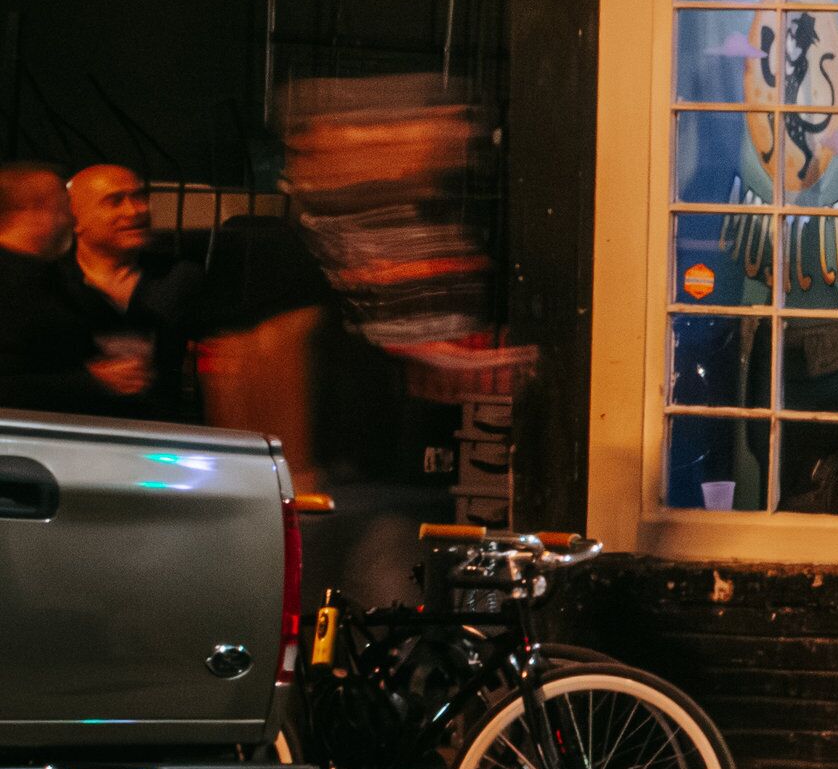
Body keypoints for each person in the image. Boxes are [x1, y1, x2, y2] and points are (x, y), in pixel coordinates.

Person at [196, 79, 530, 612]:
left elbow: (420, 343)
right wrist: (286, 474)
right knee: (366, 618)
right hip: (341, 488)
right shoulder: (301, 247)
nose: (453, 141)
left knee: (372, 620)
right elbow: (246, 359)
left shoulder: (401, 234)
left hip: (392, 483)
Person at [66, 165, 204, 423]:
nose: (135, 211)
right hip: (72, 427)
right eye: (114, 201)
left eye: (139, 197)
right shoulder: (49, 283)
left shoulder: (181, 278)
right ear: (74, 219)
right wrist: (86, 380)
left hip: (159, 429)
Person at [0, 162, 123, 416]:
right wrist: (90, 382)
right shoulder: (21, 283)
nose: (71, 218)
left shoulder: (55, 279)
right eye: (64, 206)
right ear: (34, 208)